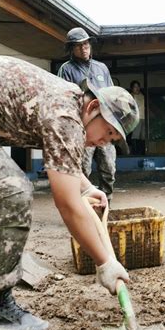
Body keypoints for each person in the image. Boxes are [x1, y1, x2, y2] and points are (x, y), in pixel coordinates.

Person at [0, 55, 139, 330]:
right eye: (108, 132)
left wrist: (87, 187)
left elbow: (62, 161)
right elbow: (67, 204)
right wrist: (105, 263)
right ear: (93, 107)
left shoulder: (67, 102)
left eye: (112, 140)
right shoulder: (66, 115)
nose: (104, 141)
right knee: (10, 192)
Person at [58, 27, 117, 203]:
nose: (84, 48)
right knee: (83, 169)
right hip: (82, 130)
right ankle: (83, 205)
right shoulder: (66, 69)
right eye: (78, 46)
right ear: (71, 49)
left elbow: (112, 94)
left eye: (86, 44)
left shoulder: (101, 68)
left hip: (104, 126)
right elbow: (63, 99)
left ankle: (107, 203)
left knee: (109, 168)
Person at [129, 80, 146, 155]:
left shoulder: (143, 95)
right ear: (132, 88)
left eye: (138, 86)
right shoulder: (131, 95)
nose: (137, 88)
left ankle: (142, 152)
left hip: (144, 117)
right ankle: (135, 153)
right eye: (135, 87)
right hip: (136, 118)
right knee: (135, 135)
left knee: (143, 136)